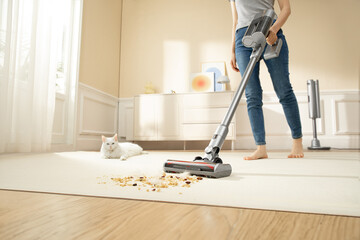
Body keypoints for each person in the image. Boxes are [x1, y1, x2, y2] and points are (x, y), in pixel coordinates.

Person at [229, 0, 304, 159]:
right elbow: (235, 20)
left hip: (269, 30)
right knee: (252, 94)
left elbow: (286, 9)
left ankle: (297, 142)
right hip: (243, 39)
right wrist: (233, 51)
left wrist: (273, 29)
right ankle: (260, 147)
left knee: (284, 90)